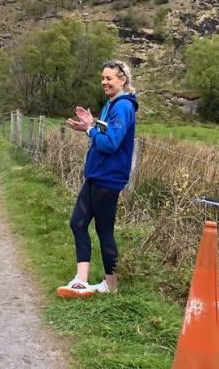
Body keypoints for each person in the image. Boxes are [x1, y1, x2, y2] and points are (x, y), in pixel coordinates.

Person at [57, 60, 138, 298]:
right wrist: (90, 125)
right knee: (78, 223)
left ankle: (110, 284)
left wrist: (90, 130)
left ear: (122, 80)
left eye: (109, 78)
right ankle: (81, 280)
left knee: (104, 231)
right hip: (97, 173)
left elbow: (111, 143)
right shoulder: (111, 104)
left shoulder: (123, 107)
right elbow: (106, 133)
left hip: (108, 178)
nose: (104, 82)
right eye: (102, 78)